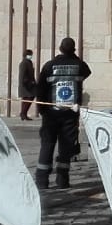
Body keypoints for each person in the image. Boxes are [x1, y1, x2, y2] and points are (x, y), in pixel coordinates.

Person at [34, 37, 91, 190]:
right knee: (66, 147)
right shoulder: (78, 65)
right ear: (73, 50)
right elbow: (87, 71)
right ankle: (62, 180)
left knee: (47, 144)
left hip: (51, 113)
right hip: (70, 113)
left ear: (60, 48)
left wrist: (41, 110)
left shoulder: (49, 66)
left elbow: (40, 89)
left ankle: (41, 180)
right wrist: (73, 58)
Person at [17, 49, 37, 120]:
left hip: (30, 84)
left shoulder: (29, 62)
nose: (30, 56)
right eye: (29, 54)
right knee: (29, 97)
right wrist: (27, 82)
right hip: (26, 84)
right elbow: (23, 75)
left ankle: (23, 114)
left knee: (26, 99)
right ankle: (23, 113)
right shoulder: (24, 63)